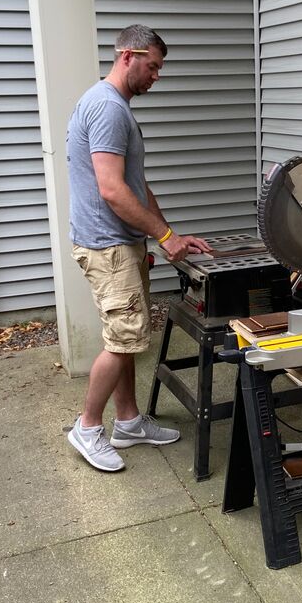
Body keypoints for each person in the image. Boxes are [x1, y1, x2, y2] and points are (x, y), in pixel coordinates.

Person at [66, 24, 213, 472]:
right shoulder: (108, 108)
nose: (156, 76)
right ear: (128, 56)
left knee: (125, 339)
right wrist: (164, 238)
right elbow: (112, 190)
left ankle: (127, 421)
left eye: (160, 68)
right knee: (125, 339)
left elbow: (135, 184)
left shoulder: (113, 106)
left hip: (121, 242)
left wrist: (169, 232)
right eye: (152, 66)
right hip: (109, 247)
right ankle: (87, 427)